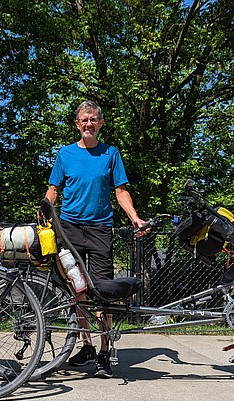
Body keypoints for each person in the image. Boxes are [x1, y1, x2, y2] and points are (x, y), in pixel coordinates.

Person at [44, 100, 146, 378]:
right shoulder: (65, 155)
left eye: (93, 119)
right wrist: (43, 212)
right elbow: (53, 190)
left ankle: (104, 352)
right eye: (83, 120)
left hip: (101, 229)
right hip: (70, 229)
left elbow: (121, 191)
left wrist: (135, 218)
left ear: (100, 123)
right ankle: (86, 345)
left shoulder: (110, 154)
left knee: (103, 292)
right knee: (77, 290)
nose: (88, 124)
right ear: (77, 124)